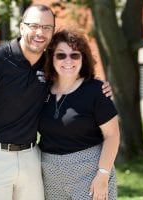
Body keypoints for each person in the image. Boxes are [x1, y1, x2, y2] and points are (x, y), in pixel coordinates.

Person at [0, 4, 112, 200]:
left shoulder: (49, 63)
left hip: (31, 156)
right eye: (34, 26)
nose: (40, 32)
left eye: (47, 27)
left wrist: (100, 86)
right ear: (22, 27)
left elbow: (73, 75)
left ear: (52, 31)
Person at [38, 29, 120, 200]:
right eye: (61, 55)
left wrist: (103, 175)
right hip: (49, 176)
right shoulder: (41, 89)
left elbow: (112, 135)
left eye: (75, 55)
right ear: (51, 58)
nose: (68, 61)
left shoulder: (96, 91)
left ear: (83, 59)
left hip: (89, 174)